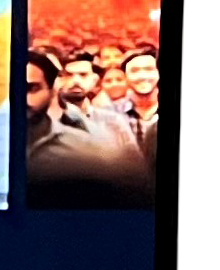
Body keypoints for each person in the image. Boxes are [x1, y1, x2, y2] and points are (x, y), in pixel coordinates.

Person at [26, 48, 153, 208]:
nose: (75, 81)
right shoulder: (40, 123)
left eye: (83, 75)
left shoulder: (113, 121)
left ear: (94, 80)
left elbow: (134, 178)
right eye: (68, 75)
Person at [115, 46, 160, 156]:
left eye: (149, 69)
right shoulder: (110, 112)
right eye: (134, 71)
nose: (142, 76)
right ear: (124, 76)